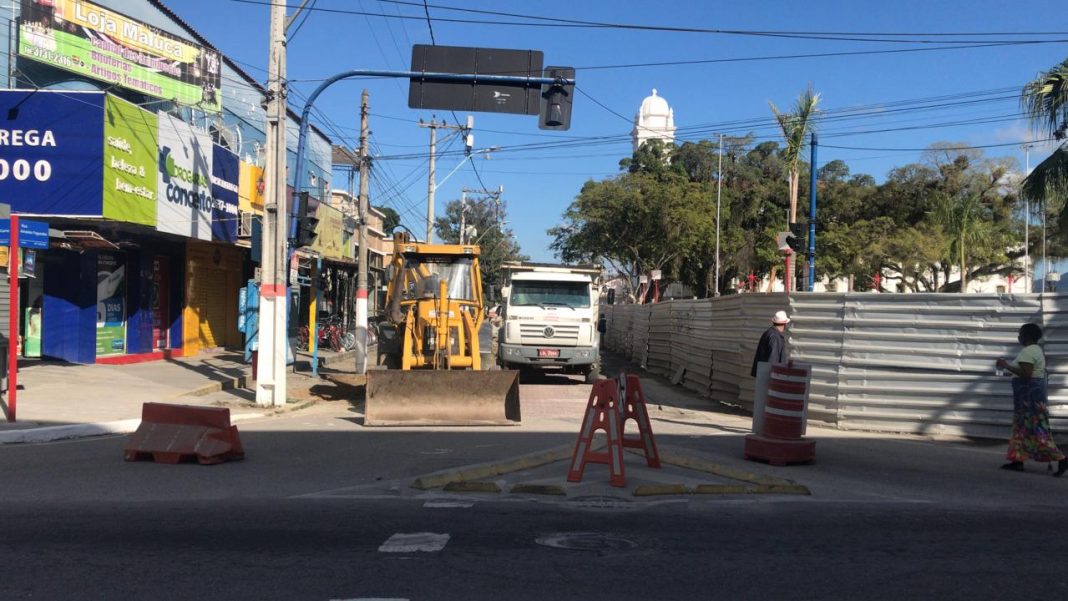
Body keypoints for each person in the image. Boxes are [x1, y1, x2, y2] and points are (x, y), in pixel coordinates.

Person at [996, 322, 1068, 476]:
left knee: (1036, 431)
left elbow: (1027, 374)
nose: (1018, 336)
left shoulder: (1028, 352)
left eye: (1020, 333)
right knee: (1021, 429)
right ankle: (1017, 460)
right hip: (1030, 400)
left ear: (1025, 336)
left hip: (1029, 401)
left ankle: (1061, 458)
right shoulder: (1036, 350)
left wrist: (1006, 365)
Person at [751, 310, 790, 377]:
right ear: (785, 324)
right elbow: (773, 359)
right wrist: (774, 378)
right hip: (770, 378)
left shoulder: (768, 333)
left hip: (764, 375)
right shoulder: (775, 337)